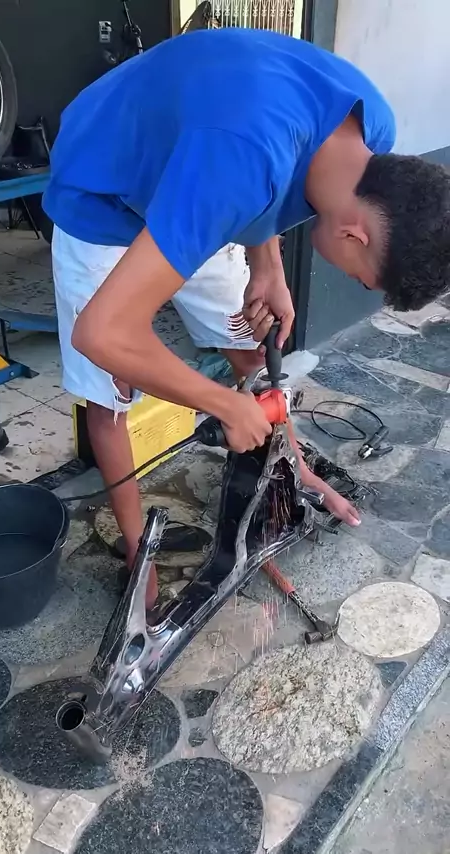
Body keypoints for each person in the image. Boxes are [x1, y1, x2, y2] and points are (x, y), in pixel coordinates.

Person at [43, 28, 450, 608]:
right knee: (110, 389)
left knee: (251, 351)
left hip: (196, 179)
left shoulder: (368, 136)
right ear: (355, 235)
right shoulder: (237, 167)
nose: (355, 282)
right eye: (363, 279)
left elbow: (283, 165)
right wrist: (224, 405)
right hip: (104, 186)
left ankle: (292, 469)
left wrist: (268, 264)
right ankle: (137, 553)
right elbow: (102, 333)